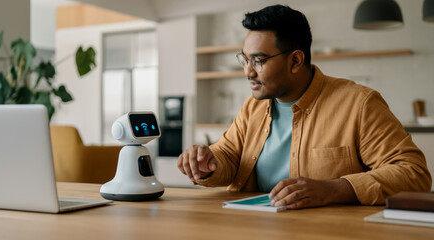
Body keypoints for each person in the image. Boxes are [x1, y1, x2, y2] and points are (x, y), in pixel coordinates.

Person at [177, 4, 432, 209]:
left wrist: (333, 189)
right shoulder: (251, 109)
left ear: (296, 60)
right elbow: (229, 157)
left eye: (258, 60)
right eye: (245, 59)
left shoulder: (360, 104)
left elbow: (414, 174)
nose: (247, 72)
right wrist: (208, 161)